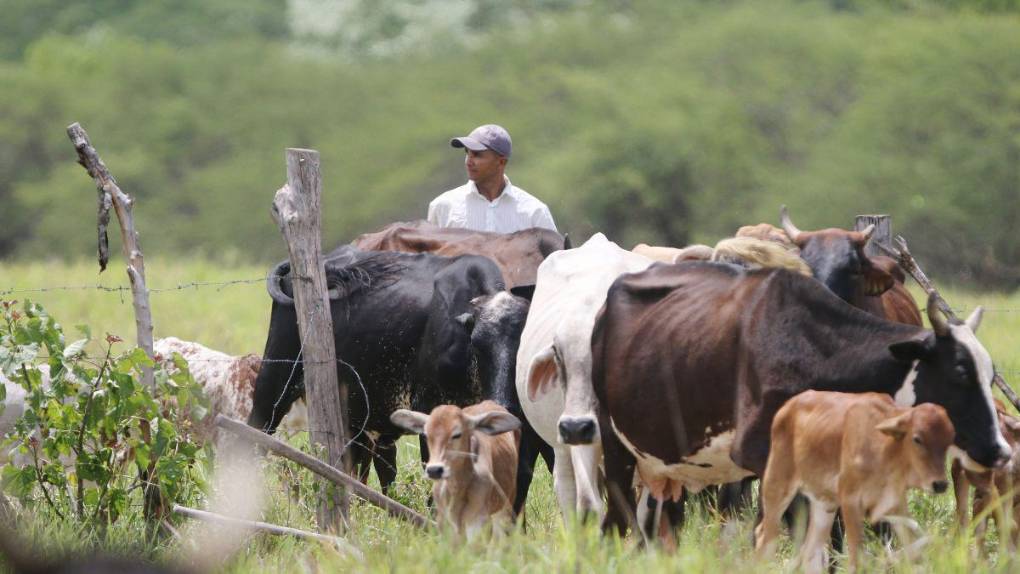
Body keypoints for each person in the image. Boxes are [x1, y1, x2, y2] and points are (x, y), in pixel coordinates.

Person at [427, 124, 557, 233]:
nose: (468, 161)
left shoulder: (534, 212)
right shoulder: (443, 207)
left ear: (501, 162)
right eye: (467, 152)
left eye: (477, 155)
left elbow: (555, 262)